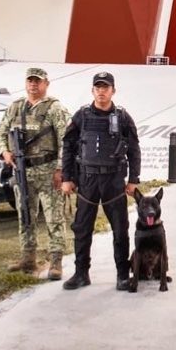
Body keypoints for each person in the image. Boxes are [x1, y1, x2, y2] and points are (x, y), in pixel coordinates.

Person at [61, 71, 141, 291]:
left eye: (106, 87)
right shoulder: (81, 116)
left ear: (113, 90)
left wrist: (134, 179)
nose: (102, 91)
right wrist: (67, 178)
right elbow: (68, 147)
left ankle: (123, 275)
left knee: (119, 228)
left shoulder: (123, 117)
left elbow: (134, 150)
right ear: (92, 90)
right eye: (98, 87)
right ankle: (81, 273)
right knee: (82, 228)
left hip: (113, 179)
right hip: (87, 179)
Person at [0, 67, 71, 280]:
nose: (33, 85)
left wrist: (60, 169)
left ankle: (56, 261)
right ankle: (28, 258)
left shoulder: (55, 108)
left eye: (37, 81)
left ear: (46, 83)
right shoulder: (16, 107)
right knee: (25, 215)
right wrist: (4, 151)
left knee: (54, 217)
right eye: (30, 80)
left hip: (48, 172)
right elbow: (0, 132)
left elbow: (66, 139)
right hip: (22, 170)